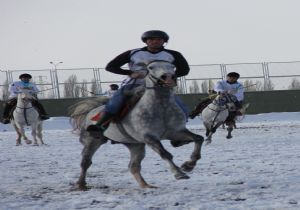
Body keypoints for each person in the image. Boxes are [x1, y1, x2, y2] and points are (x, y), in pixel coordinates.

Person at [87, 30, 190, 132]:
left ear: (164, 41)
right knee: (116, 101)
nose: (155, 41)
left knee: (181, 107)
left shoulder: (174, 54)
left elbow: (185, 69)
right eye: (151, 39)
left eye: (159, 39)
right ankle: (100, 125)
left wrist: (172, 77)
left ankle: (179, 130)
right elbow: (110, 67)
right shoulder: (133, 53)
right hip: (134, 84)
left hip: (160, 86)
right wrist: (130, 73)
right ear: (145, 41)